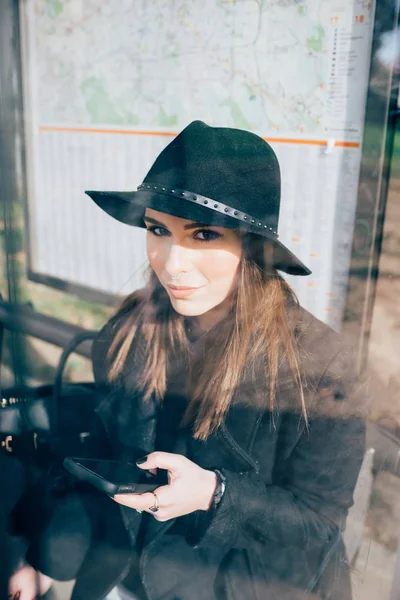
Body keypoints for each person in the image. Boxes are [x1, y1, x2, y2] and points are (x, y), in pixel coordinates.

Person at [9, 121, 367, 600]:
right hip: (120, 577)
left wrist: (218, 494)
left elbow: (319, 524)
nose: (172, 263)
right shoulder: (129, 332)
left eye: (202, 235)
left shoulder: (320, 367)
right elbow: (104, 459)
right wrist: (46, 561)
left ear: (251, 246)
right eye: (158, 229)